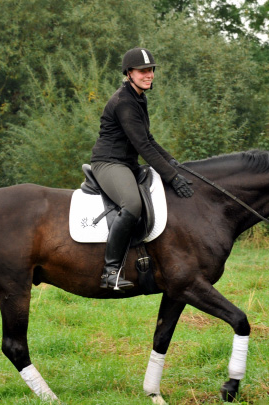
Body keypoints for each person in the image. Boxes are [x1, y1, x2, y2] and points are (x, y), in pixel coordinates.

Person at [91, 47, 194, 291]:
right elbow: (143, 145)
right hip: (109, 163)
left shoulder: (138, 97)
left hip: (128, 164)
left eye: (151, 70)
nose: (148, 75)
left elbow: (148, 138)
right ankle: (111, 272)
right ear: (129, 73)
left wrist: (173, 164)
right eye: (142, 71)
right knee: (133, 205)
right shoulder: (124, 102)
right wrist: (172, 176)